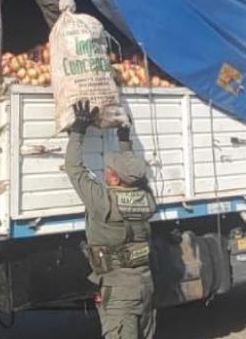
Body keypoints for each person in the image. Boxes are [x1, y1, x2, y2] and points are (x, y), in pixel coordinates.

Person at [64, 100, 157, 339]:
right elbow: (134, 173)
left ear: (115, 180)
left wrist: (78, 130)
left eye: (108, 170)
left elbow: (74, 168)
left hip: (119, 291)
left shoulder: (104, 202)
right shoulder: (147, 199)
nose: (104, 172)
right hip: (144, 284)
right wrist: (124, 138)